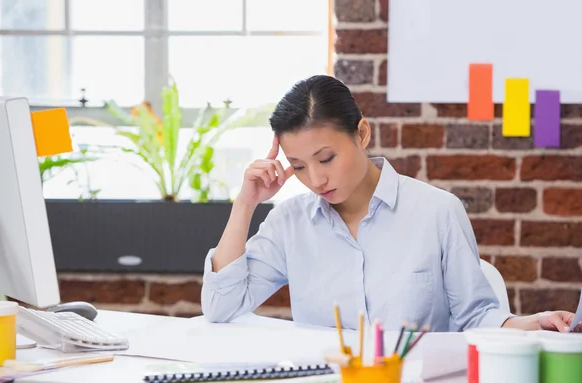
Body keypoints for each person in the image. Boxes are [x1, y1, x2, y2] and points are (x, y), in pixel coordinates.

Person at [201, 75, 579, 333]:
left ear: (361, 134)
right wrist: (245, 204)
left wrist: (529, 323)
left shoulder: (436, 212)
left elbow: (476, 316)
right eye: (298, 166)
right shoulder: (290, 222)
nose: (316, 179)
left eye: (326, 159)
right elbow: (221, 306)